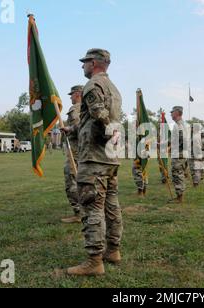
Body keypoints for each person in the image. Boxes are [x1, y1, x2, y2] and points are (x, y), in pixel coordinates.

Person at [62, 48, 123, 276]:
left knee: (92, 207)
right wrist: (72, 129)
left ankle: (94, 261)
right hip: (109, 158)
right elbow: (93, 119)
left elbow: (99, 113)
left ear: (95, 63)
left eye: (85, 62)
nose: (82, 66)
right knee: (111, 205)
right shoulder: (114, 89)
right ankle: (113, 250)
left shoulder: (92, 84)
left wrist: (110, 133)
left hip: (94, 157)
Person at [61, 85, 84, 224]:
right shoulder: (88, 108)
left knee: (71, 181)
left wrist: (68, 129)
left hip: (75, 151)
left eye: (72, 94)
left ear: (77, 94)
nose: (70, 97)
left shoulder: (76, 109)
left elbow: (77, 128)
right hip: (85, 151)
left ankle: (79, 213)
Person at [169, 106, 188, 203]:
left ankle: (179, 198)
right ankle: (179, 196)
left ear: (177, 113)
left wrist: (175, 147)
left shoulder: (179, 125)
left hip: (179, 154)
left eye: (172, 112)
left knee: (177, 175)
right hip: (180, 154)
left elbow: (183, 139)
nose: (171, 114)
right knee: (178, 174)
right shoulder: (180, 124)